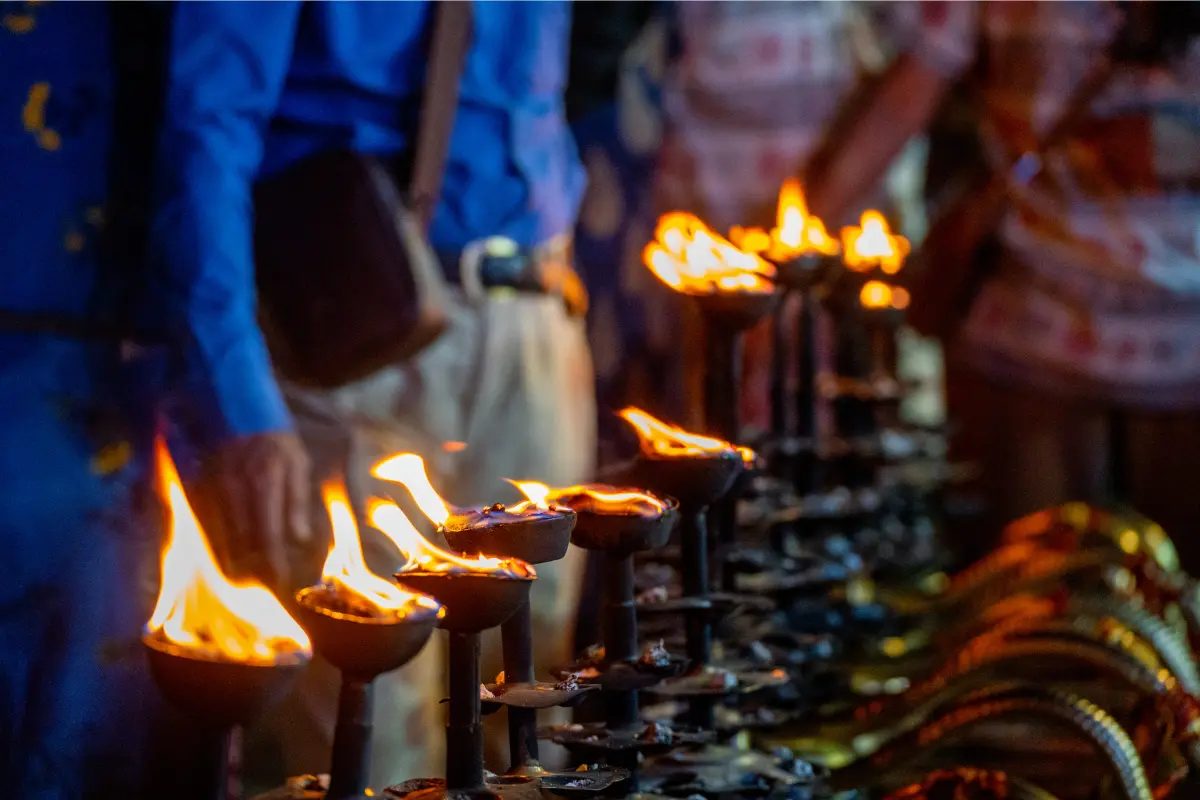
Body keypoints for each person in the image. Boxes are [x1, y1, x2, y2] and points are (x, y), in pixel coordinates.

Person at [150, 1, 595, 789]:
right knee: (372, 734)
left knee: (533, 719)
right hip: (353, 331)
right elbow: (205, 129)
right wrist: (241, 399)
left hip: (533, 314)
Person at [806, 2, 1200, 564]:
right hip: (1028, 340)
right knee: (1016, 602)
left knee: (1179, 610)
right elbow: (905, 97)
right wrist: (796, 240)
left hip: (1189, 352)